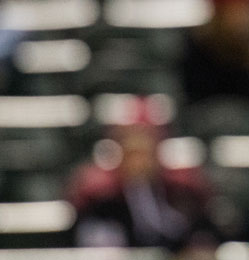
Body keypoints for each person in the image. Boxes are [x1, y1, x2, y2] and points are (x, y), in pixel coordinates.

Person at [65, 98, 227, 255]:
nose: (140, 160)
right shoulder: (100, 199)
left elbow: (205, 242)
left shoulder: (184, 193)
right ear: (120, 151)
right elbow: (97, 250)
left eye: (146, 147)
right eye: (133, 150)